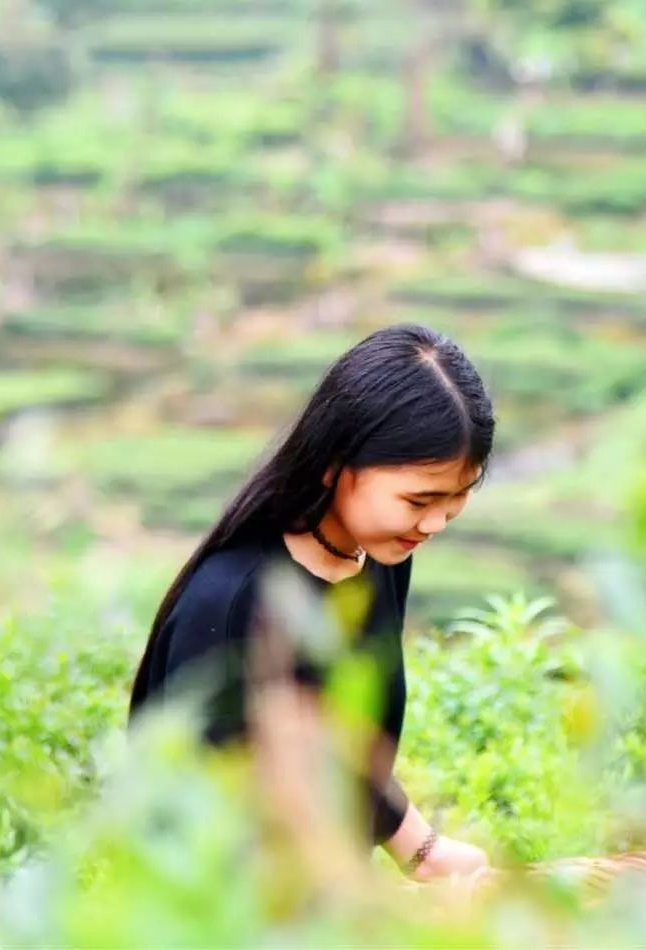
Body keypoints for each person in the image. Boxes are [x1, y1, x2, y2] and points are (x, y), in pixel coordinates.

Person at [128, 322, 496, 882]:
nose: (436, 522)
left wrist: (422, 851)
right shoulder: (231, 602)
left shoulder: (378, 557)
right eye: (419, 499)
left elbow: (338, 748)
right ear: (335, 464)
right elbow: (190, 827)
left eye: (457, 498)